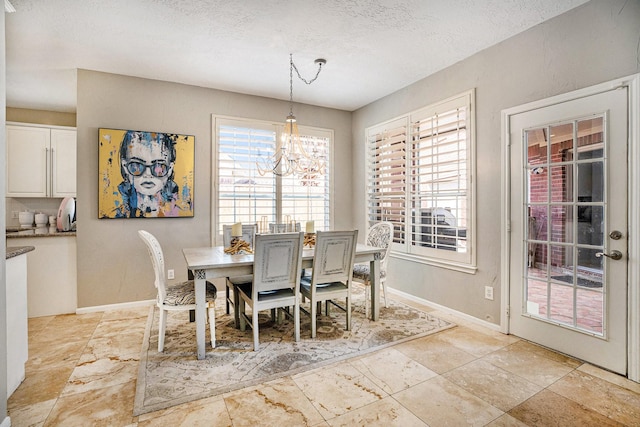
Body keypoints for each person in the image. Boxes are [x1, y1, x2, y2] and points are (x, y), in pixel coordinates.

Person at [115, 131, 180, 218]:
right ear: (125, 167)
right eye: (136, 166)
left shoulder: (178, 212)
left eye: (159, 166)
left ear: (170, 170)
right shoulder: (117, 214)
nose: (148, 174)